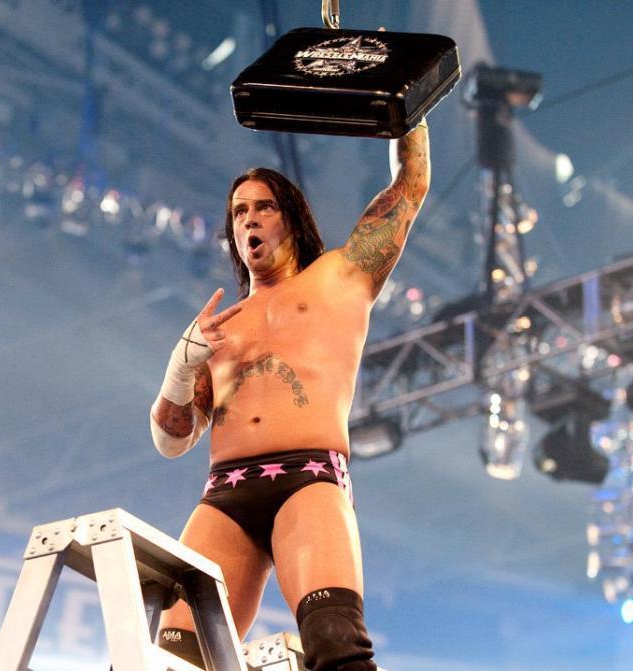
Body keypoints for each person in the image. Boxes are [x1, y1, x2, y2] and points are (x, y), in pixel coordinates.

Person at [149, 118, 430, 671]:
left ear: (293, 219)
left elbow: (410, 185)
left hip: (309, 478)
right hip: (226, 493)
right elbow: (172, 440)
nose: (249, 219)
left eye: (264, 207)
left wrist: (410, 106)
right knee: (172, 659)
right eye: (239, 212)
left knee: (336, 643)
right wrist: (178, 370)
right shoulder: (216, 330)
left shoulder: (338, 277)